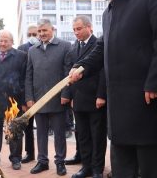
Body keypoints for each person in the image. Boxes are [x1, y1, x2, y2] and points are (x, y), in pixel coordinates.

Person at [69, 0, 157, 177]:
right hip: (118, 109)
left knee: (149, 169)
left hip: (147, 99)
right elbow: (102, 47)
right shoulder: (108, 11)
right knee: (122, 168)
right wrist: (82, 67)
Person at [25, 18, 71, 176]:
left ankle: (60, 162)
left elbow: (68, 74)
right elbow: (28, 76)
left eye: (44, 30)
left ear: (52, 30)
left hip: (58, 99)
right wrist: (29, 97)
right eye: (39, 31)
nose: (42, 33)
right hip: (38, 100)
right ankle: (42, 161)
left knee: (59, 134)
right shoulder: (32, 50)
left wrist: (66, 94)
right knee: (41, 133)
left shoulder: (65, 46)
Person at [65, 15, 107, 178]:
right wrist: (70, 96)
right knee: (82, 135)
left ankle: (97, 169)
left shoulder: (99, 44)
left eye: (79, 28)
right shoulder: (73, 47)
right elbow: (69, 73)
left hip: (96, 98)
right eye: (74, 29)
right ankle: (86, 167)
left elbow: (103, 71)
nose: (76, 32)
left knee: (97, 136)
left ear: (89, 27)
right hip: (79, 99)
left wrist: (101, 95)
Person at [0, 30, 27, 169]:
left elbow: (24, 80)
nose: (3, 43)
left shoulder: (21, 57)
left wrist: (24, 101)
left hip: (14, 101)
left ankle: (15, 159)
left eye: (6, 41)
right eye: (0, 41)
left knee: (14, 131)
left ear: (12, 42)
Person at [17, 24, 39, 164]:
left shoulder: (43, 47)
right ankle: (29, 153)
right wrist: (24, 99)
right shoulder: (21, 50)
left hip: (42, 91)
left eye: (34, 34)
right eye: (29, 34)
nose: (32, 37)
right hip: (27, 94)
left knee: (45, 128)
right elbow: (20, 75)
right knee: (28, 127)